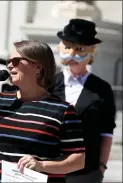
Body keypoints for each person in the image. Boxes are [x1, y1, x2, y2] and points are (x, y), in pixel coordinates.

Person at [0, 40, 86, 183]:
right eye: (8, 61)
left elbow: (78, 160)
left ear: (38, 67)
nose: (10, 65)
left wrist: (42, 165)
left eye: (16, 60)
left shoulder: (63, 110)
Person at [49, 18, 117, 183]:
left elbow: (106, 133)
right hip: (49, 167)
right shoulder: (49, 84)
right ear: (60, 47)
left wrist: (101, 167)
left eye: (79, 49)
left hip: (85, 172)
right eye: (68, 47)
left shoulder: (102, 89)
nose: (72, 54)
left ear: (92, 50)